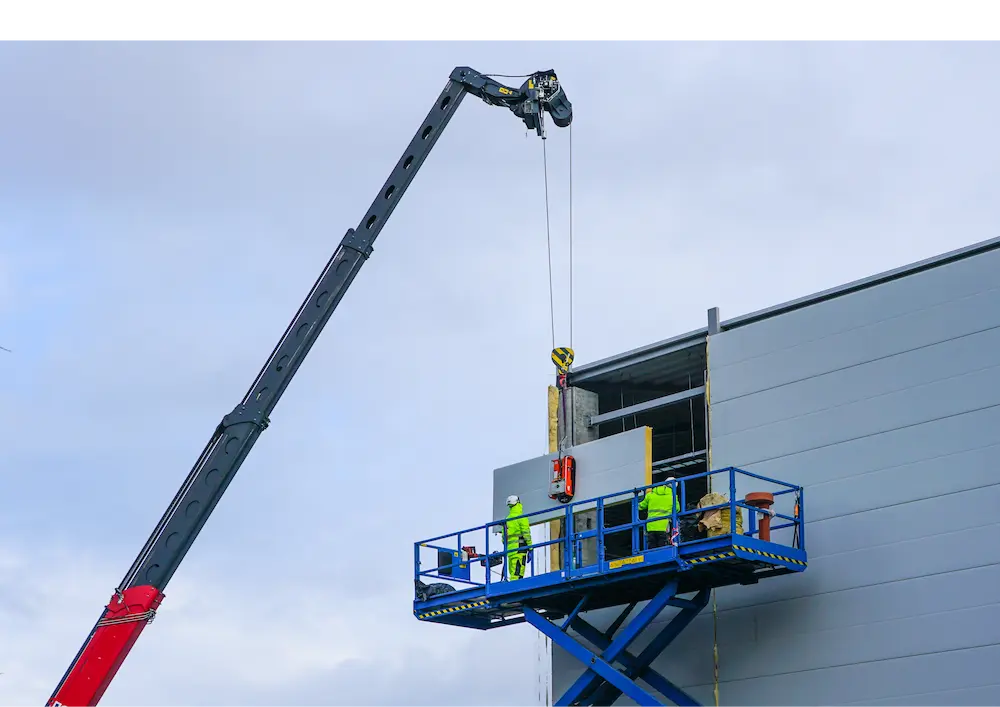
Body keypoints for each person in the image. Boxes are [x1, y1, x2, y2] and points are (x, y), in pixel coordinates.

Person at [639, 478, 680, 549]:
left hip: (650, 526)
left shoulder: (651, 494)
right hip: (663, 527)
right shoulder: (672, 496)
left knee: (652, 547)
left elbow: (640, 506)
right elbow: (677, 509)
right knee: (662, 547)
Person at [503, 494, 532, 581]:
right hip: (520, 548)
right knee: (518, 572)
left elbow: (503, 538)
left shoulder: (507, 519)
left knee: (513, 571)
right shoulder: (521, 517)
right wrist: (530, 547)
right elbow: (526, 533)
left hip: (510, 551)